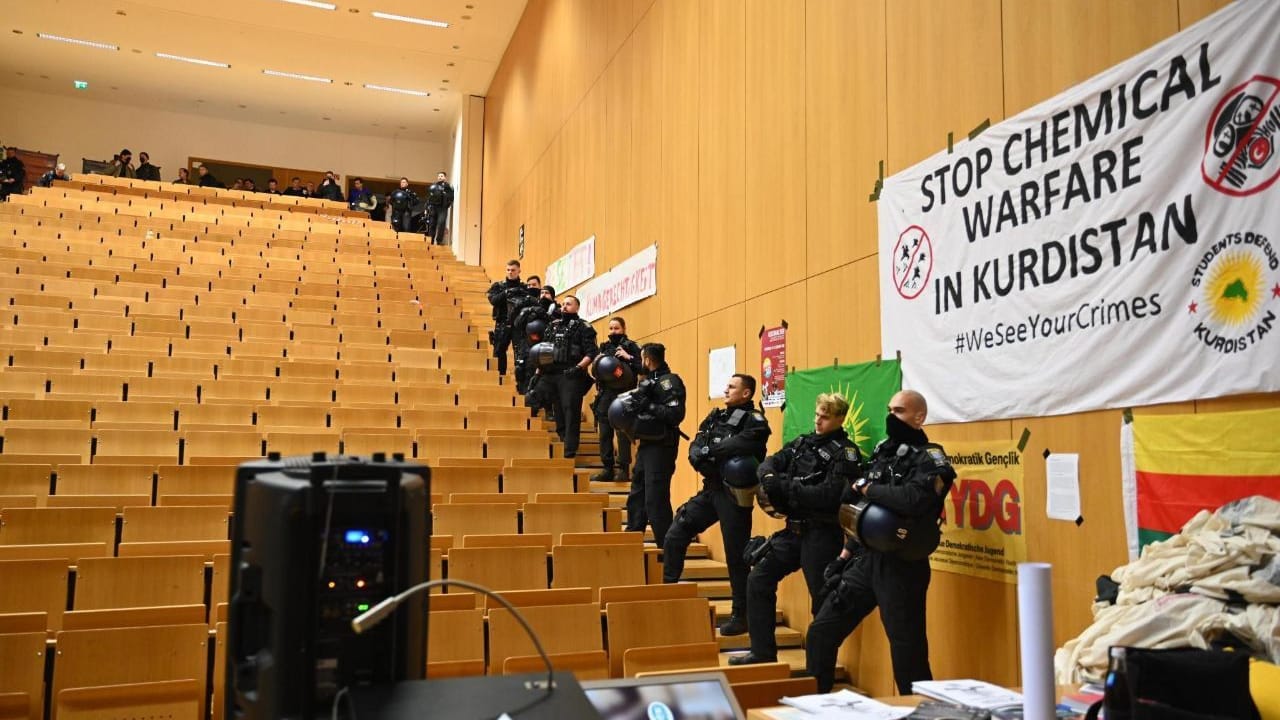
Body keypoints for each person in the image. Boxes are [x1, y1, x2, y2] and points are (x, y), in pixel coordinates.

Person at [804, 390, 955, 694]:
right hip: (866, 560)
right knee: (821, 632)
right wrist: (844, 556)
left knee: (907, 653)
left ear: (919, 417)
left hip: (903, 567)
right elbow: (861, 512)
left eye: (898, 411)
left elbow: (912, 499)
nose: (890, 416)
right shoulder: (884, 451)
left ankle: (920, 713)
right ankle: (817, 705)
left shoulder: (931, 457)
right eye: (889, 409)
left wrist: (868, 487)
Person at [730, 392, 861, 667]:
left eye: (825, 417)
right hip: (793, 531)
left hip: (821, 534)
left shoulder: (845, 453)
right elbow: (770, 462)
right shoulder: (803, 442)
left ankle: (819, 672)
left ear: (839, 418)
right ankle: (762, 652)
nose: (818, 421)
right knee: (758, 579)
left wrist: (786, 486)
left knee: (822, 602)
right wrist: (768, 477)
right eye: (817, 414)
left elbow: (829, 495)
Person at [664, 373, 771, 636]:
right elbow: (696, 444)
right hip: (710, 491)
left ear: (746, 393)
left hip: (734, 496)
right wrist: (701, 454)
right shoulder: (717, 416)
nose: (726, 389)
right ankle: (666, 592)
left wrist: (712, 451)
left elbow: (746, 442)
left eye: (732, 387)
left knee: (736, 557)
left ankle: (740, 615)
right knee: (675, 533)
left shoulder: (754, 420)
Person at [623, 343, 687, 549]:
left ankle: (666, 549)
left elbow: (675, 415)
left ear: (647, 360)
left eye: (642, 359)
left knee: (656, 498)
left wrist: (649, 405)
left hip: (662, 446)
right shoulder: (649, 381)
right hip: (647, 444)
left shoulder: (670, 382)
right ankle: (632, 537)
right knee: (637, 493)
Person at [539, 295, 598, 458]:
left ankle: (570, 449)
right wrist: (540, 372)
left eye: (569, 304)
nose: (564, 306)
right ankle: (563, 439)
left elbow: (592, 352)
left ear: (577, 307)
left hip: (572, 374)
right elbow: (544, 350)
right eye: (563, 304)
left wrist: (578, 368)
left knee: (571, 411)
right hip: (553, 374)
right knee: (557, 410)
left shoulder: (584, 327)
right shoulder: (553, 325)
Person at [590, 317, 643, 482]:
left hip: (624, 395)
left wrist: (629, 357)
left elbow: (643, 367)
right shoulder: (604, 347)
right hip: (606, 394)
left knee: (622, 434)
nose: (613, 332)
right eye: (611, 328)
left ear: (624, 328)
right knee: (604, 433)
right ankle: (607, 469)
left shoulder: (632, 346)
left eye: (617, 328)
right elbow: (595, 369)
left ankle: (623, 469)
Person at [486, 259, 528, 378]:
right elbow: (493, 300)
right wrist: (507, 292)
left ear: (519, 271)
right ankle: (500, 379)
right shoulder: (498, 286)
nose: (510, 272)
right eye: (508, 270)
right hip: (502, 323)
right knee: (499, 351)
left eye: (513, 270)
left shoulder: (524, 288)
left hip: (518, 324)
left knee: (520, 353)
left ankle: (520, 382)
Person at [508, 276, 545, 395]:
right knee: (521, 371)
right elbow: (516, 323)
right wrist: (525, 310)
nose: (531, 287)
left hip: (543, 344)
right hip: (525, 343)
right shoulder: (522, 303)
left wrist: (538, 308)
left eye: (534, 285)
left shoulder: (547, 303)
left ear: (539, 285)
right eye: (529, 285)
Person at [425, 171, 454, 245]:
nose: (440, 177)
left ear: (445, 177)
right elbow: (429, 197)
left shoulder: (448, 186)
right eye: (439, 176)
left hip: (442, 208)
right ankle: (430, 241)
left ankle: (439, 240)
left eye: (441, 176)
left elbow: (451, 197)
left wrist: (447, 204)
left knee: (441, 223)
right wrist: (427, 207)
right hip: (433, 208)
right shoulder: (433, 186)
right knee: (432, 224)